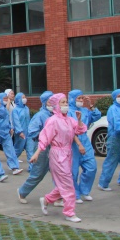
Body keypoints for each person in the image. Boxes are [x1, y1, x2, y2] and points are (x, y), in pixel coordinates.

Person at [32, 93, 84, 222]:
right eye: (62, 102)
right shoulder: (53, 121)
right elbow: (45, 138)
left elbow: (79, 130)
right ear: (56, 105)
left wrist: (79, 120)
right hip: (57, 155)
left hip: (67, 153)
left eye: (66, 102)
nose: (66, 105)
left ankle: (47, 199)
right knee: (68, 184)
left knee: (64, 183)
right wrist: (37, 153)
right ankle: (69, 212)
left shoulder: (69, 120)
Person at [17, 91, 54, 203]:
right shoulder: (40, 115)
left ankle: (58, 197)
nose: (52, 103)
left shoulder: (56, 114)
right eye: (50, 101)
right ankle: (22, 191)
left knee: (59, 173)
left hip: (55, 148)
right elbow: (32, 131)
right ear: (44, 102)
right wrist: (45, 136)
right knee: (38, 173)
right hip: (42, 147)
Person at [68, 90, 99, 203]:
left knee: (91, 167)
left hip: (85, 140)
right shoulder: (68, 112)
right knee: (73, 171)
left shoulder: (85, 111)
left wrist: (91, 105)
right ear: (72, 99)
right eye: (78, 98)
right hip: (72, 143)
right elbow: (69, 130)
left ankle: (84, 190)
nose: (81, 100)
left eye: (82, 98)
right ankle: (75, 194)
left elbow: (96, 116)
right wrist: (78, 144)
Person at [12, 92, 32, 164]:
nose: (25, 99)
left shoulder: (26, 108)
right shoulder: (15, 110)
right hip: (20, 133)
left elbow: (28, 120)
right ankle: (12, 163)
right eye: (23, 98)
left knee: (30, 149)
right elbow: (16, 122)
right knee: (18, 149)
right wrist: (20, 132)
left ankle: (31, 167)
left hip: (28, 132)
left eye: (25, 97)